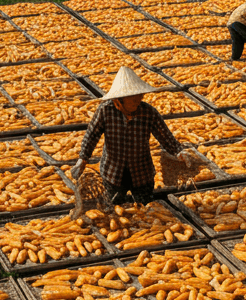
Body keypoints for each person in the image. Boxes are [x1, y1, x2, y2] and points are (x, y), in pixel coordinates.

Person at [72, 67, 191, 207]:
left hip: (142, 173)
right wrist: (83, 159)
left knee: (146, 209)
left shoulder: (149, 113)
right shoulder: (105, 111)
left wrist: (178, 151)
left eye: (139, 97)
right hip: (113, 173)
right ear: (119, 100)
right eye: (133, 99)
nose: (138, 101)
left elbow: (164, 135)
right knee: (115, 208)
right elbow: (91, 135)